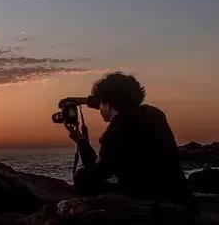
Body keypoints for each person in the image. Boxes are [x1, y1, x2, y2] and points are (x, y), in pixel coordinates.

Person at [68, 72, 193, 204]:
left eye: (100, 103)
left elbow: (98, 172)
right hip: (177, 193)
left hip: (146, 198)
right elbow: (115, 101)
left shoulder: (116, 130)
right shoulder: (154, 114)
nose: (99, 107)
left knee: (82, 177)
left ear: (106, 103)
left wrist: (81, 141)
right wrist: (83, 101)